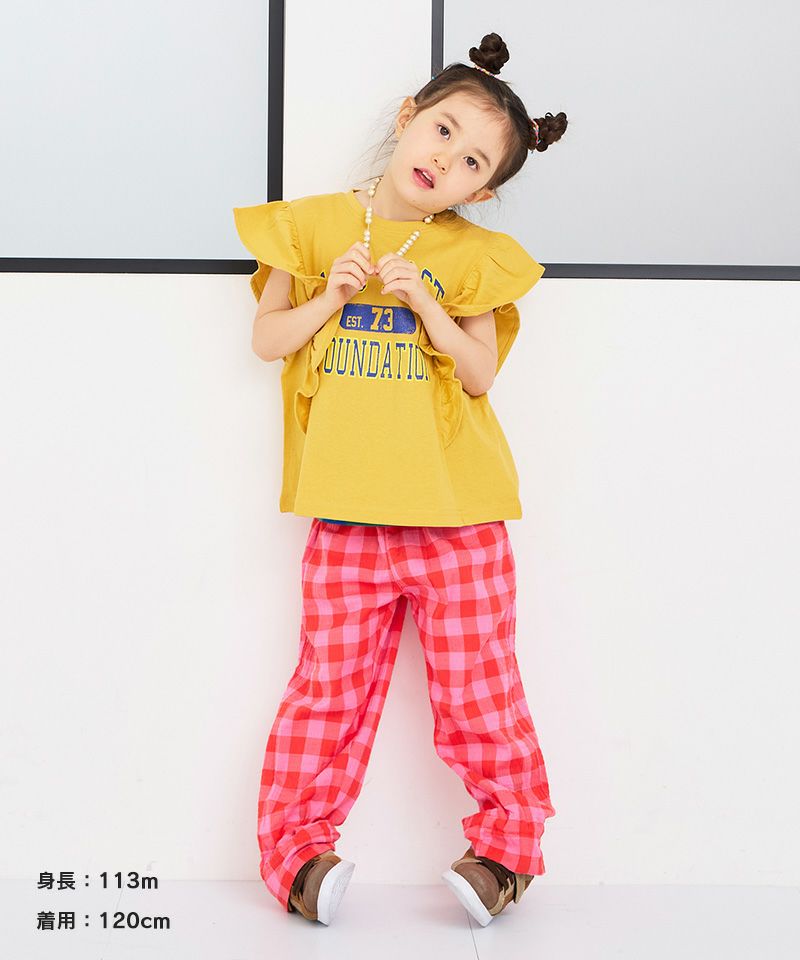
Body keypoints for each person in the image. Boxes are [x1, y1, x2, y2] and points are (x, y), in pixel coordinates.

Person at [232, 31, 568, 927]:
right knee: (327, 690)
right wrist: (330, 297)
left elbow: (480, 374)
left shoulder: (473, 258)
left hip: (457, 517)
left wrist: (425, 301)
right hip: (345, 512)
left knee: (479, 690)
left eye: (472, 162)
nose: (445, 159)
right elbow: (266, 340)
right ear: (407, 117)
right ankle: (296, 857)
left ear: (481, 191)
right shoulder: (310, 226)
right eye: (442, 131)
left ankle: (505, 853)